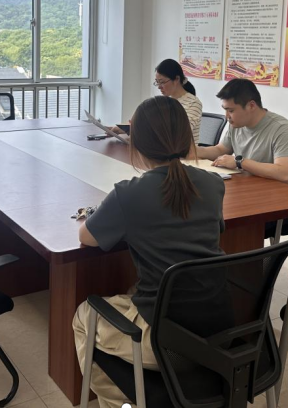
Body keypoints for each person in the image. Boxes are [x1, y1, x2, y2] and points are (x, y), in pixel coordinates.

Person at [73, 96, 225, 408]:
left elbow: (86, 237)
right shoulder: (213, 184)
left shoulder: (129, 193)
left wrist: (100, 212)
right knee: (134, 290)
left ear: (137, 143)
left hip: (162, 339)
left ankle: (119, 402)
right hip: (218, 328)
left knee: (83, 316)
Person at [198, 78, 288, 187]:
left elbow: (285, 173)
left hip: (281, 192)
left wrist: (239, 162)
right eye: (225, 110)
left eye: (231, 111)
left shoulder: (281, 128)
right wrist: (194, 151)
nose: (227, 116)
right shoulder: (237, 124)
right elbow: (221, 149)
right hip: (251, 186)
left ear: (251, 106)